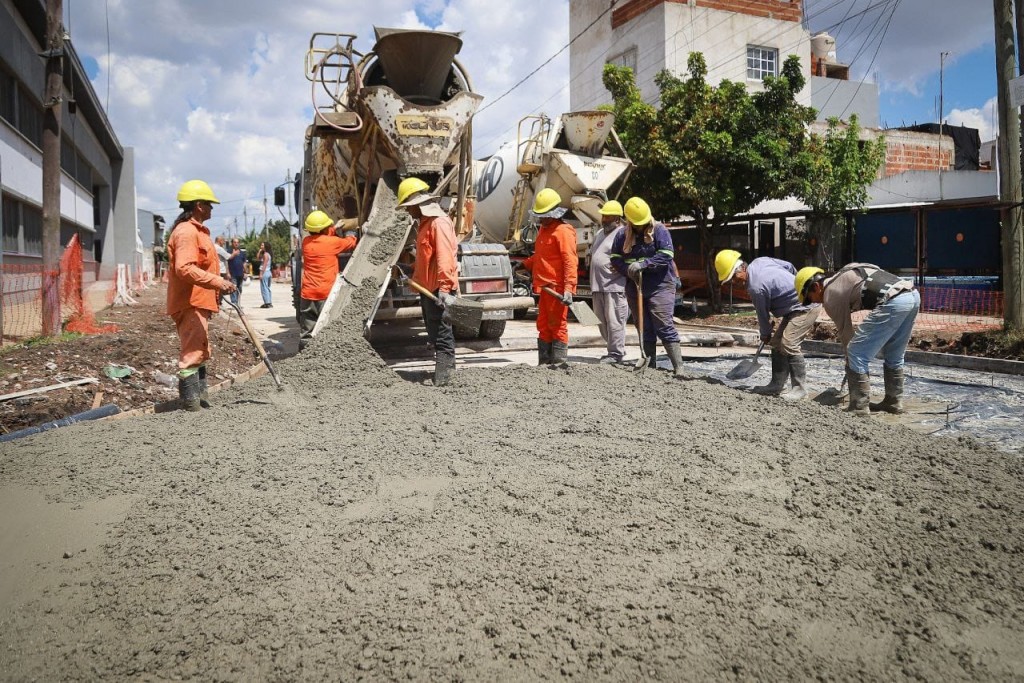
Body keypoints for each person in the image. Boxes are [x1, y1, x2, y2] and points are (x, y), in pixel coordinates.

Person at [799, 263, 920, 416]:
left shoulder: (830, 295)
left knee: (856, 352)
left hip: (893, 301)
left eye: (810, 299)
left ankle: (859, 407)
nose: (815, 303)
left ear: (816, 287)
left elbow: (846, 334)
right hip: (912, 295)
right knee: (894, 354)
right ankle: (893, 402)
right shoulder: (847, 270)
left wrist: (849, 361)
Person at [166, 179, 236, 411]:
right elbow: (184, 268)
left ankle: (201, 401)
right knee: (192, 352)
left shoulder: (199, 232)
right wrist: (218, 282)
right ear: (198, 205)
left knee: (200, 350)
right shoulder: (186, 232)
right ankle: (191, 405)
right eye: (209, 204)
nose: (212, 208)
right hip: (190, 301)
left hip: (199, 300)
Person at [715, 250, 820, 399]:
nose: (734, 283)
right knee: (777, 343)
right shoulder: (760, 261)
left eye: (734, 277)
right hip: (793, 309)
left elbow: (762, 314)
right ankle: (776, 385)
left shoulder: (756, 287)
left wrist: (765, 333)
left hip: (806, 307)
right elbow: (789, 266)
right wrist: (794, 283)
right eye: (730, 280)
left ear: (742, 268)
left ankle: (800, 388)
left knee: (789, 343)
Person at [611, 197, 690, 377]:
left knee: (663, 324)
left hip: (660, 285)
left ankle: (679, 367)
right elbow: (615, 258)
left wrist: (644, 264)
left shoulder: (659, 230)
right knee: (643, 325)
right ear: (629, 221)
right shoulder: (622, 235)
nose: (641, 226)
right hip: (635, 285)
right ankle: (650, 364)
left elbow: (666, 255)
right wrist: (627, 270)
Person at [397, 177, 459, 387]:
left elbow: (445, 257)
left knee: (442, 335)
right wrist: (411, 272)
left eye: (408, 207)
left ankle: (446, 380)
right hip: (427, 289)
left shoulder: (438, 223)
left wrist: (444, 288)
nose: (407, 211)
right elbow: (426, 260)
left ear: (418, 204)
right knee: (435, 335)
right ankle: (444, 376)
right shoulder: (425, 224)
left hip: (438, 290)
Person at [520, 188, 577, 366]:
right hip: (545, 288)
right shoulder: (545, 230)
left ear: (554, 213)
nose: (541, 219)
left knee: (557, 326)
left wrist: (568, 289)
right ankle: (544, 365)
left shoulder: (563, 231)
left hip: (557, 289)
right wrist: (525, 265)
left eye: (544, 215)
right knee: (543, 326)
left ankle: (559, 365)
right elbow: (542, 256)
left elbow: (570, 262)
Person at [298, 210, 357, 349]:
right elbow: (351, 243)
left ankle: (304, 360)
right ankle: (328, 359)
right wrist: (351, 232)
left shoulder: (306, 243)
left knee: (307, 331)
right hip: (326, 294)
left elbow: (322, 237)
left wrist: (334, 228)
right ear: (324, 228)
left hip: (307, 294)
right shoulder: (333, 243)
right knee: (328, 328)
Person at [589, 199, 628, 363]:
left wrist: (623, 265)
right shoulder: (599, 233)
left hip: (614, 286)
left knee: (615, 321)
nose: (603, 219)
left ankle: (616, 353)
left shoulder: (623, 234)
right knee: (601, 321)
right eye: (603, 216)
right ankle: (612, 350)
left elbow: (632, 256)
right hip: (597, 285)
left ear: (617, 219)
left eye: (608, 217)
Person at [227, 238, 246, 305]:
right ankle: (234, 303)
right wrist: (228, 273)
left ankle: (238, 302)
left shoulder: (242, 252)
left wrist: (245, 272)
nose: (236, 243)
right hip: (232, 273)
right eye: (234, 242)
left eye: (237, 242)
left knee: (239, 288)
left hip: (240, 273)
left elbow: (244, 263)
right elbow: (226, 262)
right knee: (233, 288)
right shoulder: (228, 251)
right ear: (232, 243)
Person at [214, 235, 230, 308]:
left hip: (218, 270)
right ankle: (219, 302)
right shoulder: (218, 248)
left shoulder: (214, 247)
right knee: (221, 288)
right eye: (223, 241)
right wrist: (235, 254)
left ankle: (219, 302)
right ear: (220, 240)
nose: (224, 243)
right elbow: (228, 256)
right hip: (221, 270)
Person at [258, 242, 273, 308]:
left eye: (262, 245)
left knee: (264, 288)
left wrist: (261, 274)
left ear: (265, 246)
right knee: (267, 288)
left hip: (265, 272)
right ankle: (269, 302)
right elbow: (258, 258)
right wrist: (259, 251)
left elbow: (264, 265)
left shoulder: (265, 255)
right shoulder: (268, 254)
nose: (261, 246)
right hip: (268, 272)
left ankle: (267, 303)